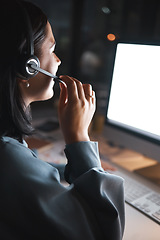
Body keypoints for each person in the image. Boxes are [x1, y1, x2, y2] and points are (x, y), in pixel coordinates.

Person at [0, 0, 125, 239]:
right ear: (27, 66)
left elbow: (29, 174)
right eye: (52, 49)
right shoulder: (7, 159)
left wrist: (77, 169)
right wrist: (78, 137)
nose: (58, 60)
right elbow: (105, 234)